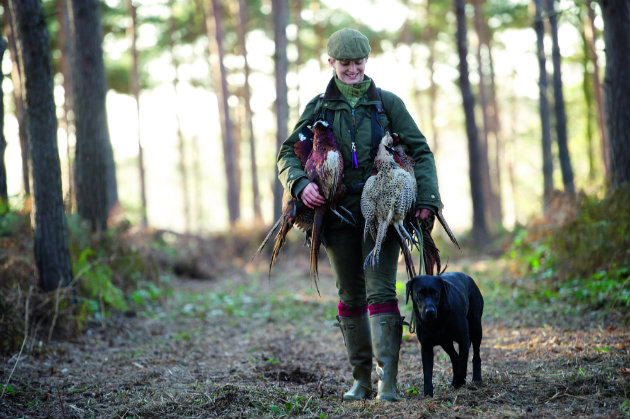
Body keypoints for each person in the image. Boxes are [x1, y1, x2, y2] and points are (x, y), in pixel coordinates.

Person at [276, 28, 442, 402]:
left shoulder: (387, 104)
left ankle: (390, 383)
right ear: (330, 62)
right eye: (345, 63)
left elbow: (421, 150)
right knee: (350, 295)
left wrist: (428, 198)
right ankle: (361, 381)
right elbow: (287, 153)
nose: (352, 69)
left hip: (382, 215)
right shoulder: (318, 107)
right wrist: (301, 185)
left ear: (366, 62)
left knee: (381, 290)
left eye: (358, 62)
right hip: (335, 216)